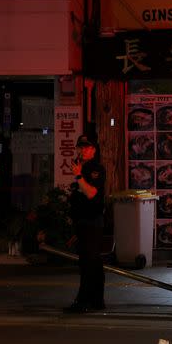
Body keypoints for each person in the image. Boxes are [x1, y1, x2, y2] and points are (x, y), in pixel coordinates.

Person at [66, 134, 106, 313]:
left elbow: (91, 194)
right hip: (82, 221)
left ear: (94, 150)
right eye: (80, 147)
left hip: (92, 221)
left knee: (88, 263)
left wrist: (78, 177)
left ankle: (83, 301)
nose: (82, 150)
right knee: (93, 263)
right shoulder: (80, 168)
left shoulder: (95, 169)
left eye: (86, 147)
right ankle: (97, 301)